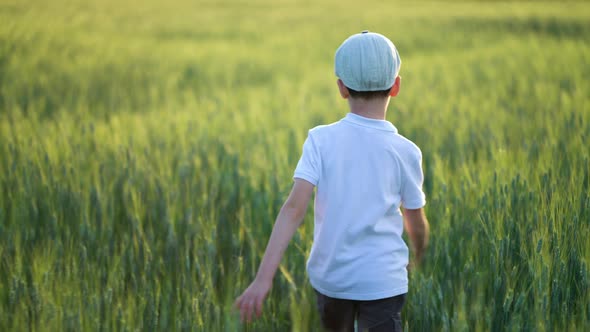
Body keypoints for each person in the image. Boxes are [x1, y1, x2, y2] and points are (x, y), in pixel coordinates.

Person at [234, 30, 430, 332]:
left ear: (341, 88)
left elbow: (293, 210)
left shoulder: (320, 140)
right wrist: (418, 257)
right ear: (396, 86)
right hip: (384, 281)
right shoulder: (406, 151)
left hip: (332, 279)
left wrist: (263, 279)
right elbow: (414, 221)